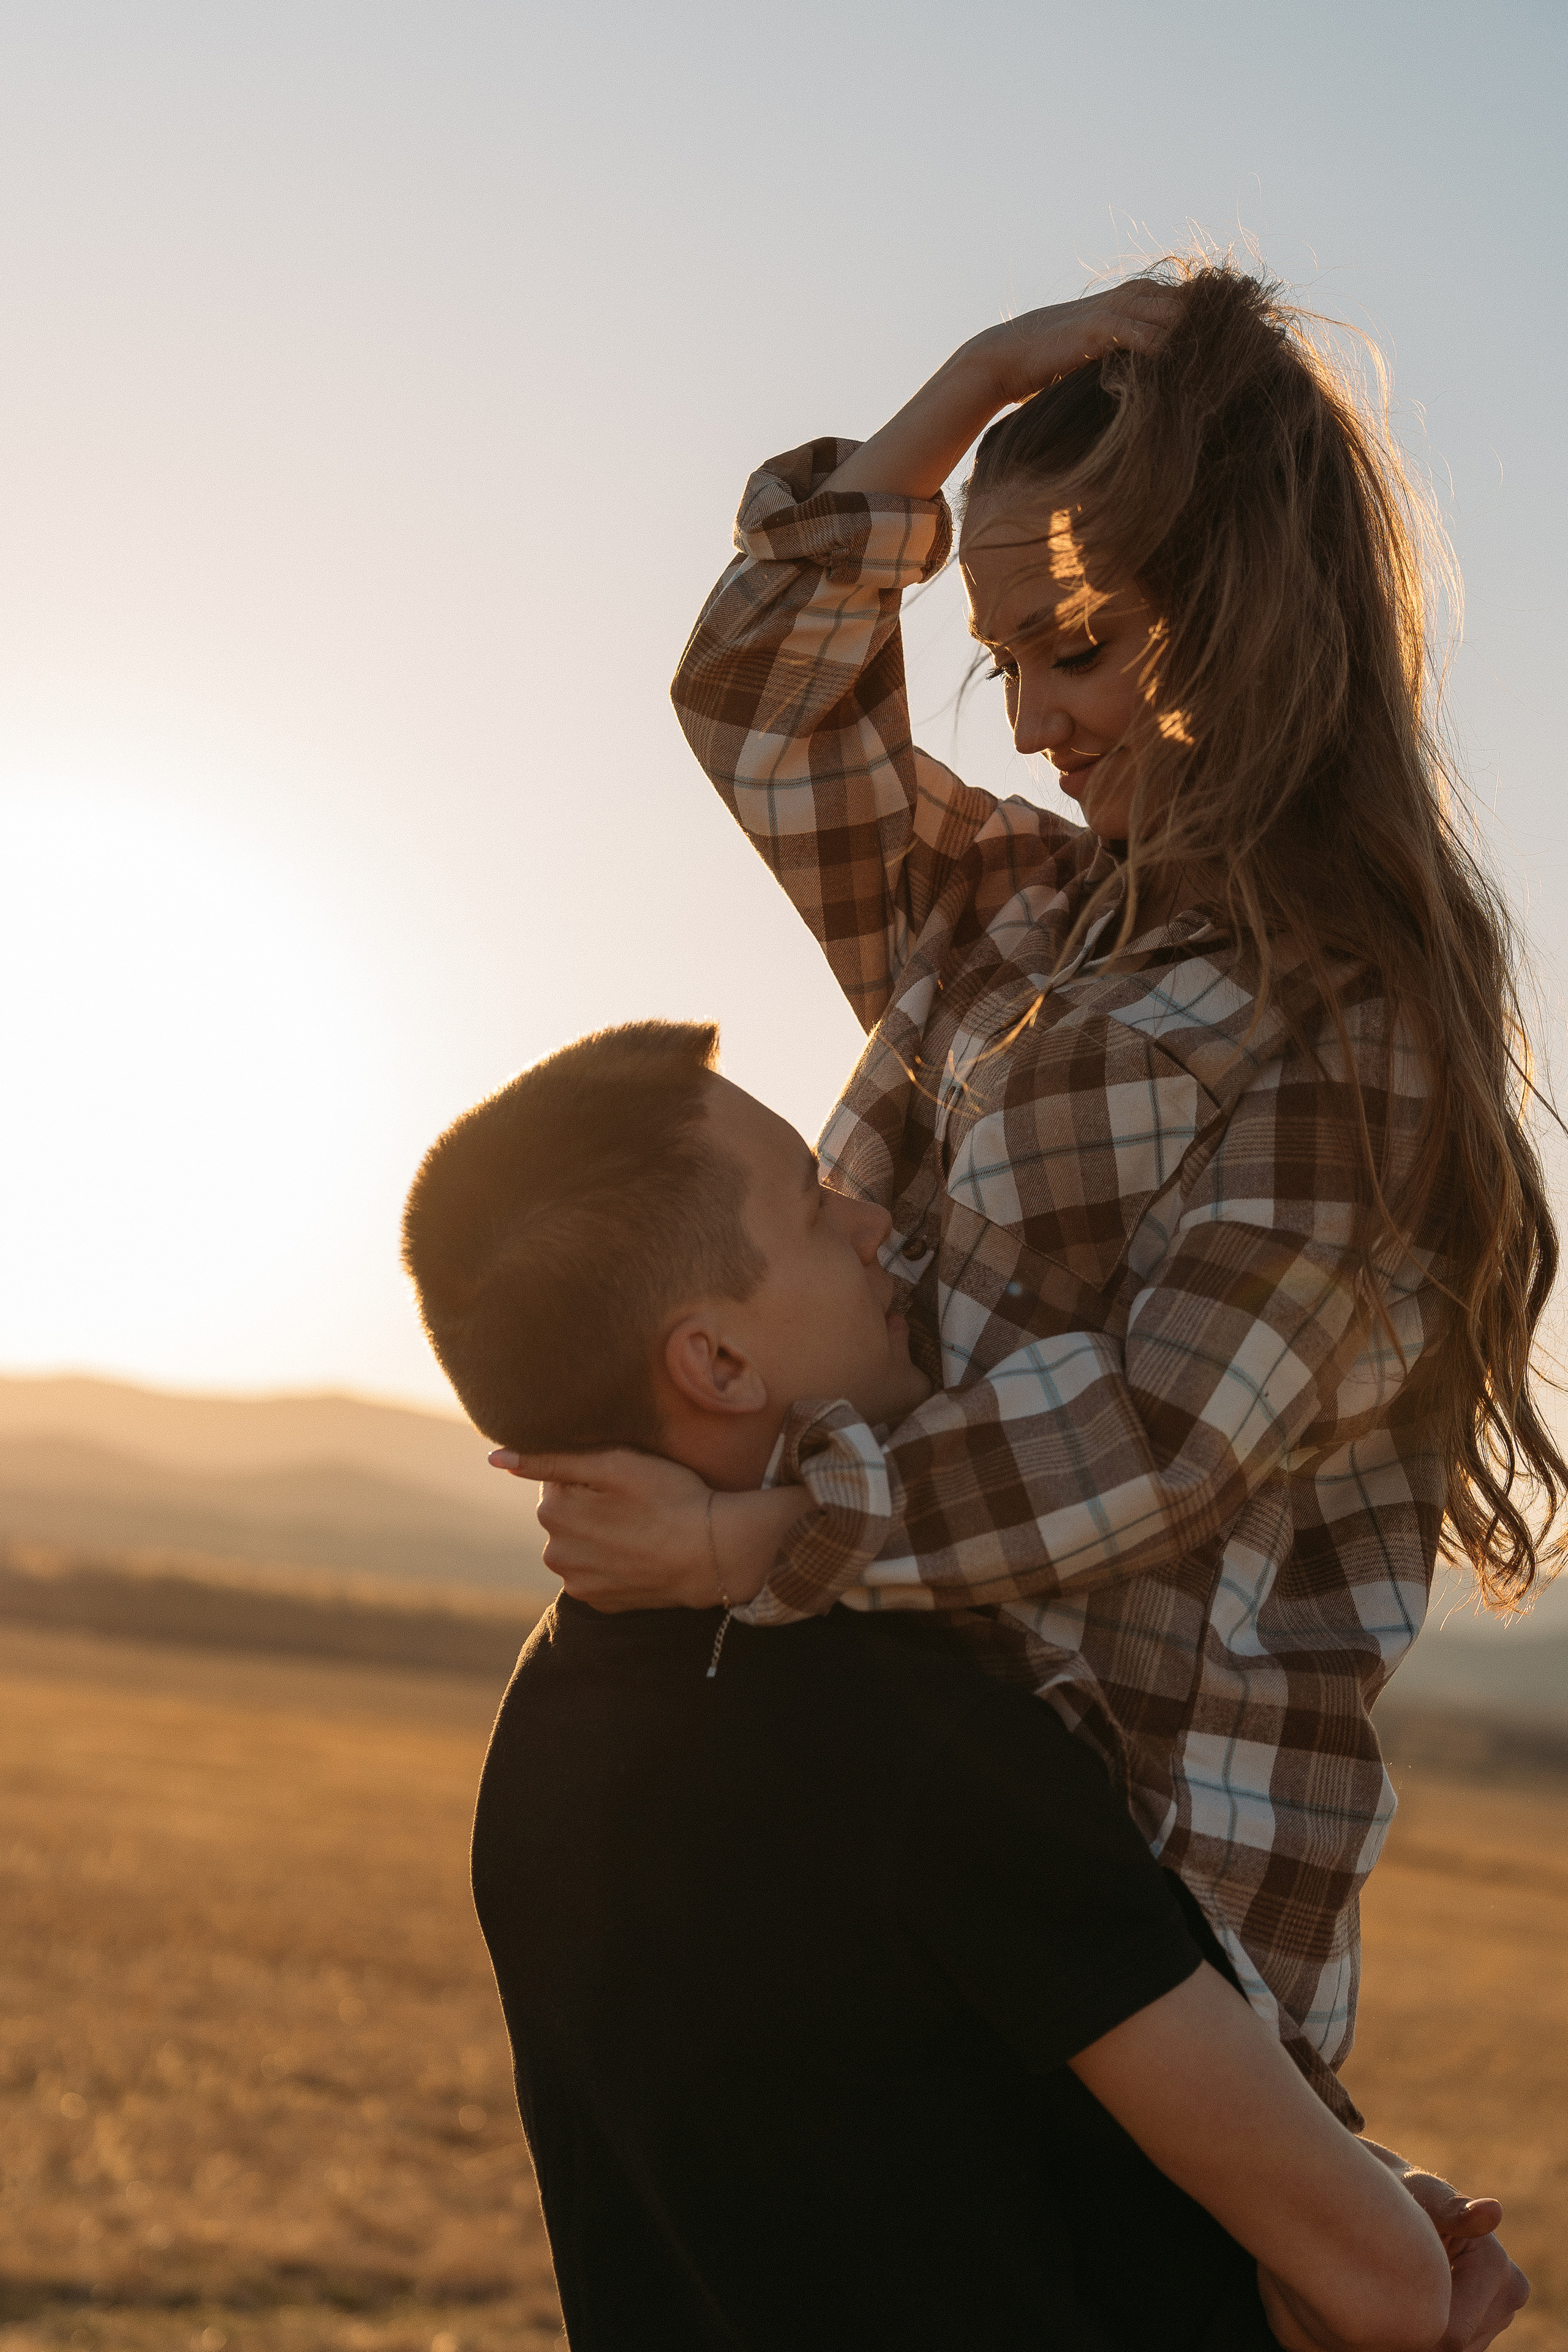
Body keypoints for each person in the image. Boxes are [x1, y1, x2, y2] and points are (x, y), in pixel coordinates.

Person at [497, 262, 1562, 2149]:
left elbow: (1157, 1435)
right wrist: (966, 389)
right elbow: (763, 711)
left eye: (1078, 645)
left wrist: (761, 1547)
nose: (1032, 725)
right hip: (919, 1858)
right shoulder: (1006, 917)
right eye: (1004, 662)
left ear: (1258, 617)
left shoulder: (1355, 1023)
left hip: (1150, 1935)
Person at [404, 1019, 1524, 2351]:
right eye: (817, 1208)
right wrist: (1375, 2233)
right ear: (716, 1364)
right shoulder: (931, 1747)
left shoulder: (548, 1712)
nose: (880, 1226)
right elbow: (1379, 2291)